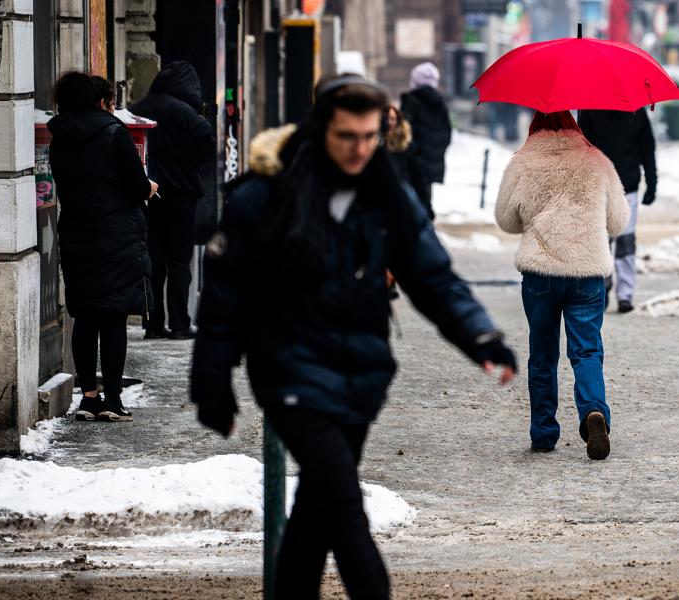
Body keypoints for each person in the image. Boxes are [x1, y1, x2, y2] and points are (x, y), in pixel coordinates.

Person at [190, 75, 516, 599]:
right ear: (322, 128)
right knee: (344, 507)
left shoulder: (387, 192)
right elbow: (225, 298)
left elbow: (433, 277)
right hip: (288, 369)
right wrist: (211, 380)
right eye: (348, 136)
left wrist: (481, 337)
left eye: (370, 136)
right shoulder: (264, 195)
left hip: (361, 376)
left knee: (315, 512)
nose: (360, 149)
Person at [495, 110, 629, 460]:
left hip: (540, 274)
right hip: (586, 274)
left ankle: (543, 432)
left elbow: (505, 219)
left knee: (542, 354)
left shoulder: (523, 163)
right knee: (586, 351)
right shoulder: (596, 161)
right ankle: (593, 412)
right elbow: (619, 221)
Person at [48, 72, 158, 422]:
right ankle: (112, 398)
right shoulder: (113, 134)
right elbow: (136, 185)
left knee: (85, 315)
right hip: (116, 235)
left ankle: (89, 398)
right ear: (98, 101)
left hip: (77, 233)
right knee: (112, 316)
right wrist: (150, 187)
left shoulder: (59, 138)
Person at [131, 60, 216, 340]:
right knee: (180, 261)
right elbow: (206, 140)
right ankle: (180, 324)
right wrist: (189, 163)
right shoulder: (189, 115)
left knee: (153, 260)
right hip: (182, 196)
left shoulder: (140, 109)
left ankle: (152, 323)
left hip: (148, 195)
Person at [577, 108, 657, 313]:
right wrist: (651, 182)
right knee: (624, 241)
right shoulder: (636, 110)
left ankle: (603, 288)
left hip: (600, 184)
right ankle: (624, 295)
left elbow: (581, 147)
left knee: (602, 241)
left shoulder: (588, 108)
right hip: (623, 185)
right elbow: (647, 148)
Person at [399, 62, 452, 220]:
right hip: (431, 162)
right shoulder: (440, 103)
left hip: (413, 163)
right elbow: (447, 133)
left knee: (413, 204)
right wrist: (436, 152)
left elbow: (403, 133)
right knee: (426, 198)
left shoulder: (410, 102)